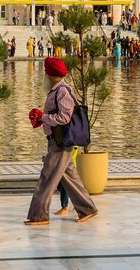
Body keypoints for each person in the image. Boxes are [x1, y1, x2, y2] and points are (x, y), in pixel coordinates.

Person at [25, 57, 97, 226]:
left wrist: (43, 117)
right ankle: (87, 208)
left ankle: (39, 215)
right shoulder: (57, 90)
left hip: (61, 143)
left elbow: (64, 117)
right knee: (70, 178)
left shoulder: (62, 91)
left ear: (50, 75)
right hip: (58, 141)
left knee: (47, 177)